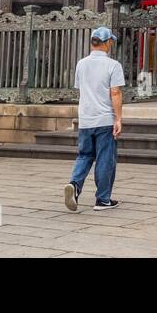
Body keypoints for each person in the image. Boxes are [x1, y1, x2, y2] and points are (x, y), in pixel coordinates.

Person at [64, 26, 124, 212]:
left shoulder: (81, 64)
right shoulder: (113, 65)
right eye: (111, 41)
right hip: (104, 119)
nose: (112, 44)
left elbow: (81, 89)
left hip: (86, 119)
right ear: (106, 43)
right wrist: (119, 119)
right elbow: (115, 92)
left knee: (84, 156)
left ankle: (74, 185)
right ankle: (103, 199)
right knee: (105, 159)